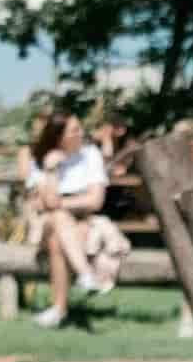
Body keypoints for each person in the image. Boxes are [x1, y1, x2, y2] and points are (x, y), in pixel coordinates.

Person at [24, 109, 123, 329]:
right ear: (60, 137)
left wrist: (62, 203)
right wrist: (51, 170)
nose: (81, 134)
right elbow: (46, 204)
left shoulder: (90, 155)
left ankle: (59, 309)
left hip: (82, 223)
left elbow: (95, 200)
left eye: (80, 129)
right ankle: (85, 274)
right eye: (75, 130)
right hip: (45, 225)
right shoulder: (41, 161)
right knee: (57, 219)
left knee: (58, 237)